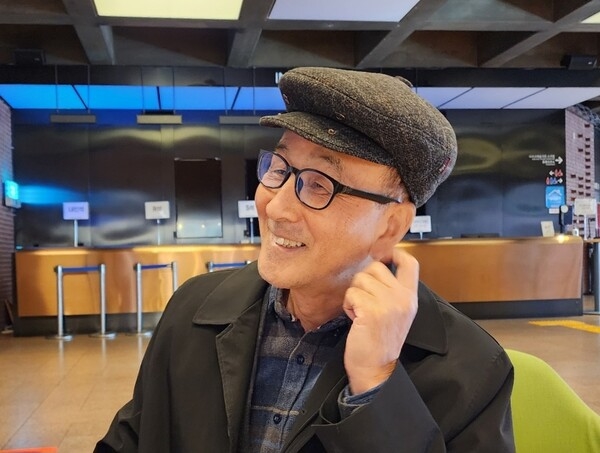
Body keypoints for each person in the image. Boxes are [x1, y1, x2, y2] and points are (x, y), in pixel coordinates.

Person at [95, 67, 515, 452]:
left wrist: (375, 385)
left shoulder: (471, 369)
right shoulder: (193, 310)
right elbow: (133, 439)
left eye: (319, 184)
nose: (276, 207)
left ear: (390, 225)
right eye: (279, 168)